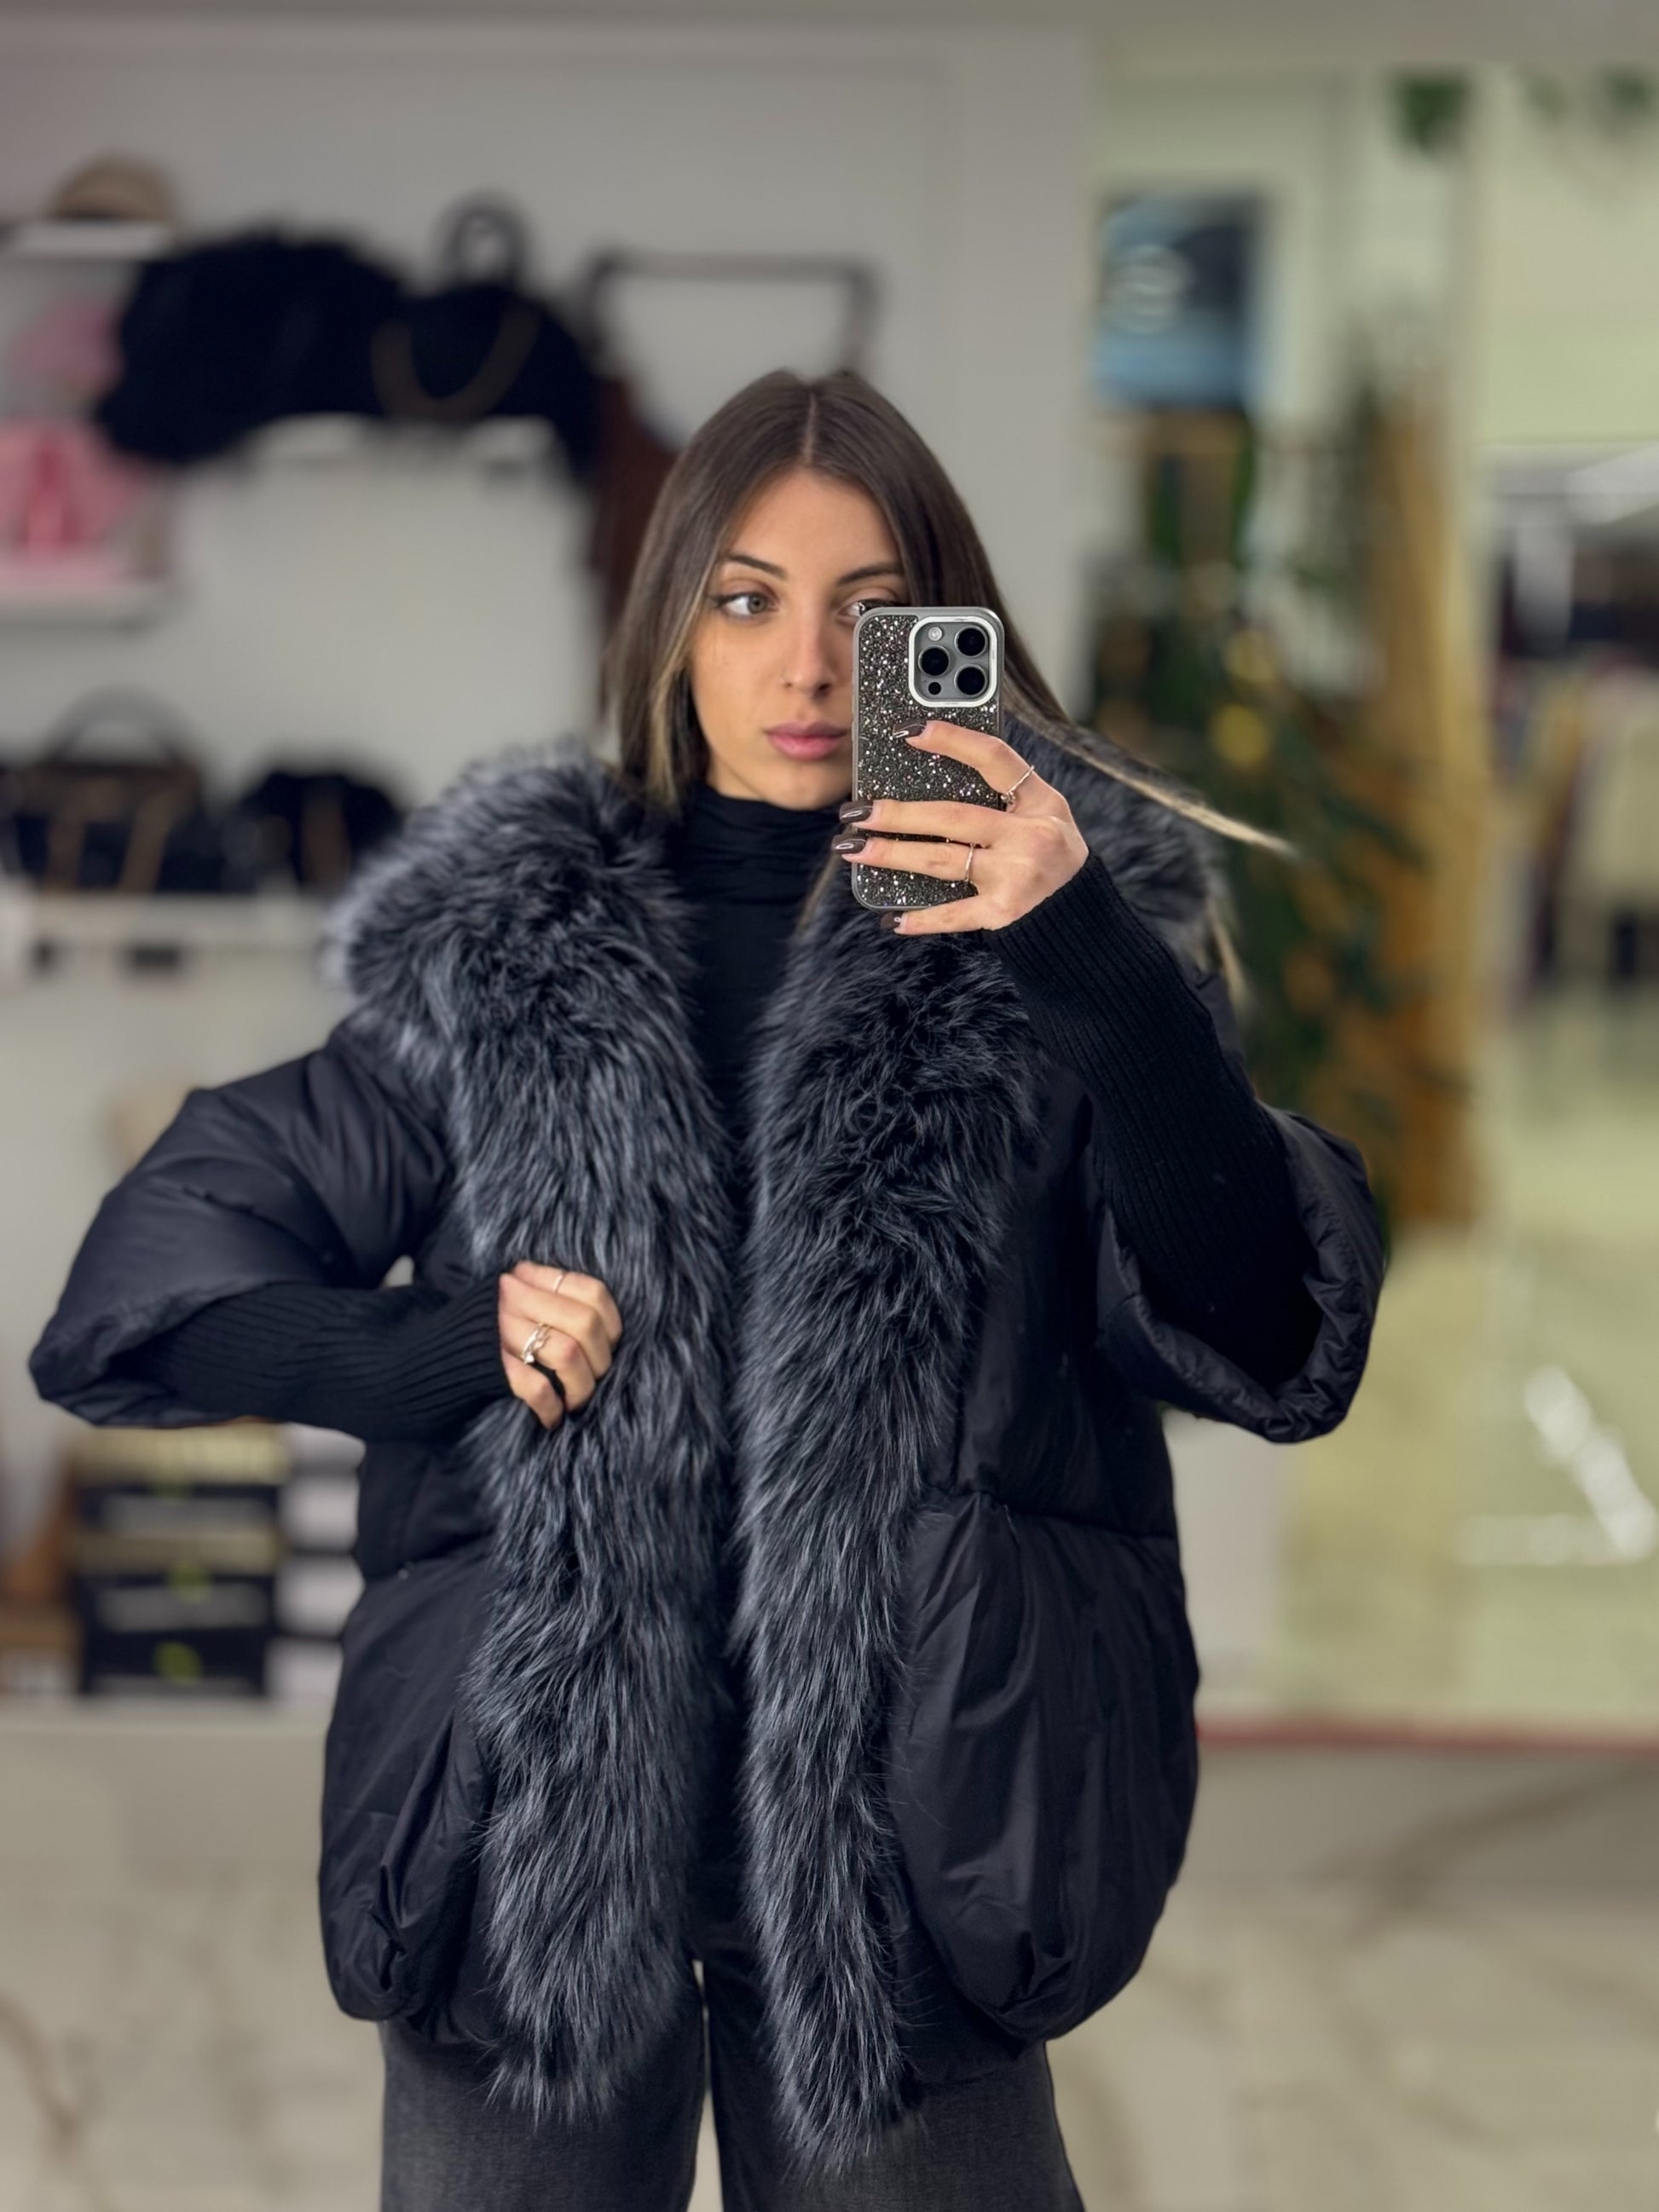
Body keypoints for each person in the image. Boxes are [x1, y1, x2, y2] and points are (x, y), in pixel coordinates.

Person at [30, 368, 1384, 2212]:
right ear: (669, 621)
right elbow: (147, 1290)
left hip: (921, 1863)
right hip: (529, 1850)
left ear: (950, 638)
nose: (805, 665)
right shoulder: (509, 949)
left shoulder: (1067, 945)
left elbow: (1266, 1325)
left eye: (868, 612)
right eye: (746, 599)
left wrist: (1088, 957)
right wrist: (437, 1351)